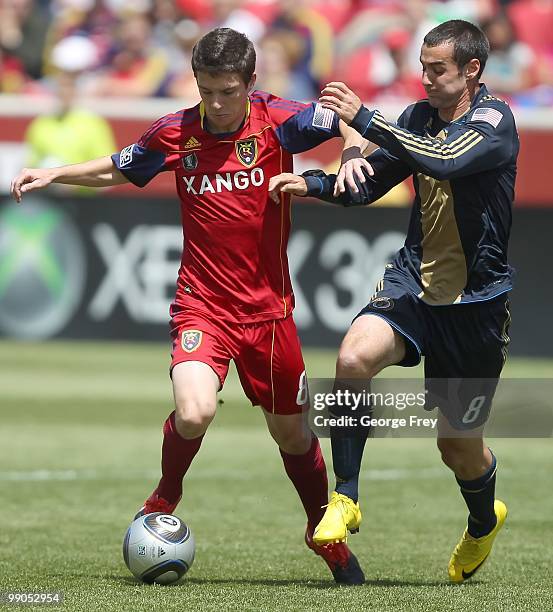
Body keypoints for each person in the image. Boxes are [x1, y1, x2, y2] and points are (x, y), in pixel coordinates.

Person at [11, 27, 366, 586]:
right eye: (207, 91)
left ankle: (320, 527)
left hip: (268, 313)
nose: (217, 104)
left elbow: (346, 119)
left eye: (228, 91)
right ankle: (165, 494)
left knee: (293, 435)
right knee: (196, 410)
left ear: (251, 82)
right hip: (201, 304)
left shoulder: (278, 119)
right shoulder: (176, 131)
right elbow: (119, 166)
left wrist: (349, 153)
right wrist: (56, 172)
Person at [269, 19, 517, 583]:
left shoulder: (494, 121)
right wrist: (313, 184)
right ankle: (346, 496)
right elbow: (372, 183)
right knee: (354, 356)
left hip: (475, 306)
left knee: (458, 447)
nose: (426, 80)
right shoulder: (417, 119)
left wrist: (363, 119)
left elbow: (444, 160)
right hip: (412, 286)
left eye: (438, 70)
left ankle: (483, 521)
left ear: (472, 70)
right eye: (422, 68)